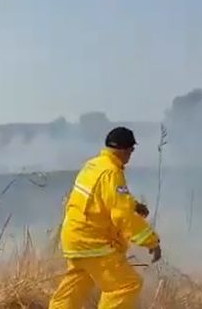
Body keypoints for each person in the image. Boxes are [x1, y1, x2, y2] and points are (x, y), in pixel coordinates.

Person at [49, 127, 161, 309]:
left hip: (73, 240)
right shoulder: (112, 173)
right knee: (126, 285)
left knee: (75, 288)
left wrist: (133, 204)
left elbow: (102, 198)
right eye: (132, 150)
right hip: (93, 243)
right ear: (125, 149)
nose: (131, 155)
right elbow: (122, 216)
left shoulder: (92, 165)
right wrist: (151, 241)